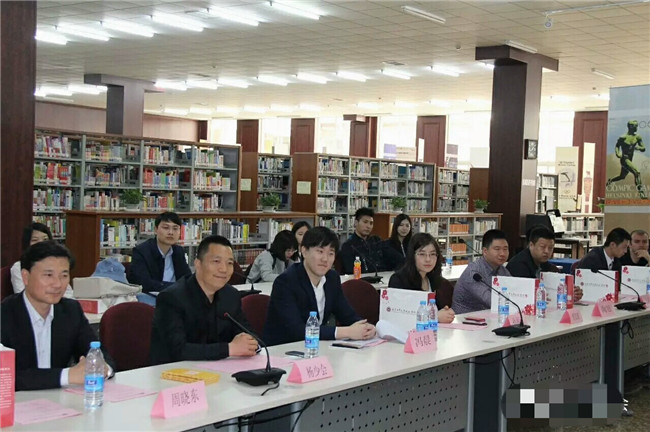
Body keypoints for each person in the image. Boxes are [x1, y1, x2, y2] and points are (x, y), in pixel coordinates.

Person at [1, 241, 115, 391]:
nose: (57, 284)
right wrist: (68, 375)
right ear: (26, 277)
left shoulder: (70, 311)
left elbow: (97, 352)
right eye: (48, 275)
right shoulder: (5, 314)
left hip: (59, 400)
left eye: (64, 275)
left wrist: (103, 368)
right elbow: (7, 377)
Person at [150, 235, 258, 365]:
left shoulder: (231, 295)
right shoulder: (171, 298)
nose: (224, 269)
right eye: (216, 261)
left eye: (229, 263)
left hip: (219, 369)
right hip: (174, 372)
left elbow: (249, 335)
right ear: (198, 264)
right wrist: (229, 349)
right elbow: (177, 350)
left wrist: (248, 342)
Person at [263, 227, 376, 346]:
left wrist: (365, 328)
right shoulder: (285, 282)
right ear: (304, 251)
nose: (325, 259)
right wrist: (346, 332)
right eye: (320, 251)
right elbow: (296, 330)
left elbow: (347, 315)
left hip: (315, 347)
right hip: (283, 349)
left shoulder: (332, 278)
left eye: (330, 253)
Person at [388, 233, 455, 323]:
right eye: (422, 254)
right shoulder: (398, 280)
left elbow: (442, 310)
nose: (428, 259)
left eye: (432, 254)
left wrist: (447, 314)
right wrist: (434, 316)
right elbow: (397, 316)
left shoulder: (439, 282)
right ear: (412, 256)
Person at [128, 211, 191, 293]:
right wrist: (177, 287)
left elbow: (187, 278)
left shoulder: (178, 251)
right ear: (156, 230)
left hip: (176, 295)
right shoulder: (142, 251)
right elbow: (144, 283)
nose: (171, 232)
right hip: (150, 295)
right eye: (166, 228)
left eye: (175, 228)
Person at [451, 229, 511, 315]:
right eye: (497, 249)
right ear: (485, 251)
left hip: (489, 316)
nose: (502, 253)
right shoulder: (473, 272)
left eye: (505, 249)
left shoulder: (502, 270)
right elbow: (491, 301)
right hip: (465, 318)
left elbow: (514, 292)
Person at [11, 223, 73, 298]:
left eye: (45, 239)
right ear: (27, 243)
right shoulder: (18, 267)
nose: (41, 243)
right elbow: (22, 294)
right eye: (35, 240)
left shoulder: (57, 264)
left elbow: (69, 292)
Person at [606, 120, 646, 199]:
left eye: (637, 126)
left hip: (630, 159)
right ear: (630, 127)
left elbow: (643, 148)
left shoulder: (637, 137)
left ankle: (610, 180)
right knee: (637, 172)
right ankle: (641, 193)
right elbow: (617, 146)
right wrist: (618, 153)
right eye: (635, 126)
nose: (636, 128)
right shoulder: (623, 137)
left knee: (622, 176)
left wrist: (638, 148)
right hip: (624, 159)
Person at [339, 207, 384, 275]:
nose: (368, 226)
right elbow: (350, 270)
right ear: (356, 223)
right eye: (365, 222)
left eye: (371, 223)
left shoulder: (376, 241)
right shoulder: (348, 246)